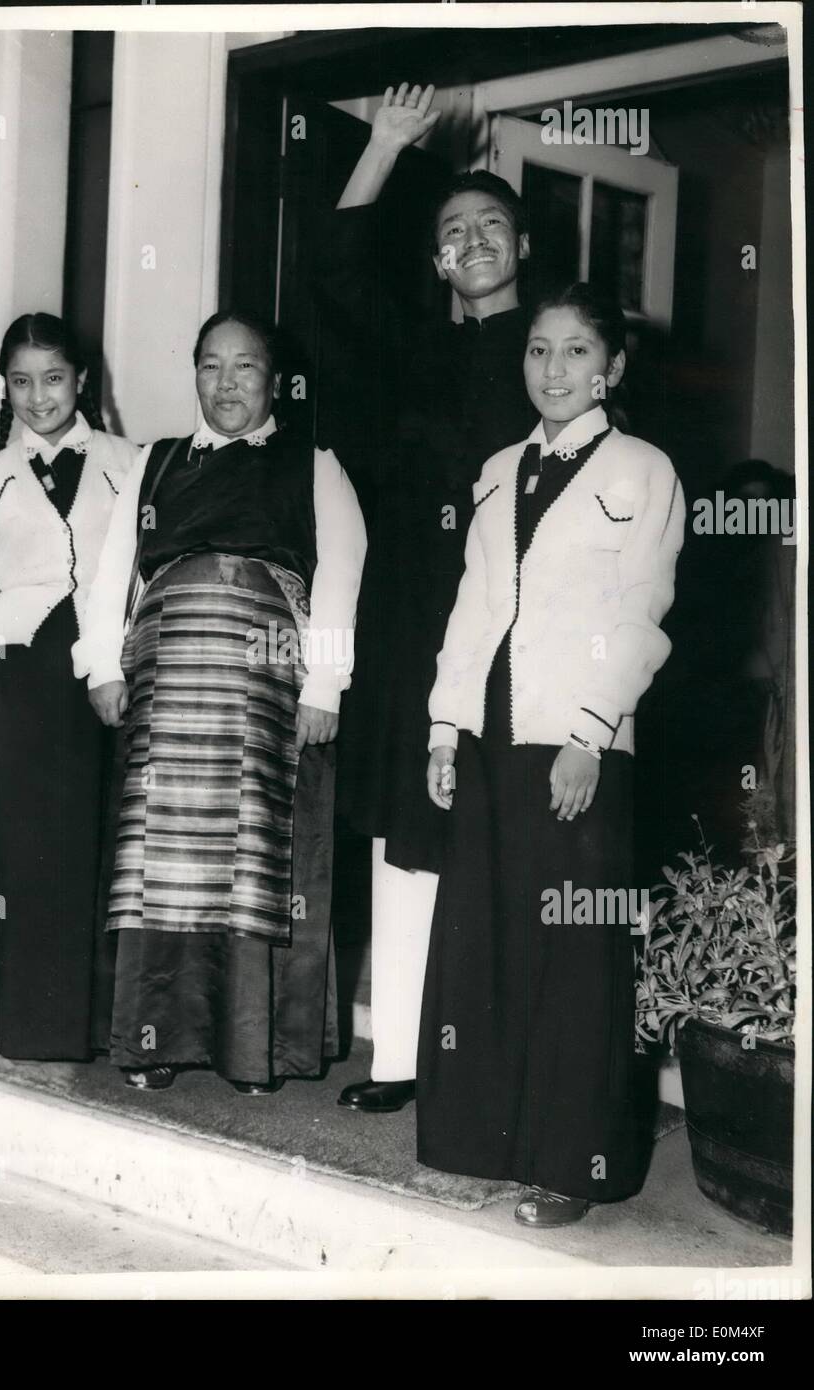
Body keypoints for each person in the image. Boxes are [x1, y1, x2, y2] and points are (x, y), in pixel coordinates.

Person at [420, 282, 685, 1225]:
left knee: (570, 956)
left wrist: (588, 733)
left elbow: (638, 611)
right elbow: (472, 609)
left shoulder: (641, 470)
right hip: (494, 736)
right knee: (486, 943)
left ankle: (570, 1168)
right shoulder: (496, 470)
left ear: (610, 368)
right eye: (538, 350)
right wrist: (445, 728)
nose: (554, 369)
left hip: (578, 744)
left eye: (576, 352)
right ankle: (482, 1142)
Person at [313, 83, 536, 1113]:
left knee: (501, 837)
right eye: (454, 231)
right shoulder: (415, 350)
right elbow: (336, 277)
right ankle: (398, 1057)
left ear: (521, 249)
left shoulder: (559, 361)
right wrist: (385, 149)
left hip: (516, 629)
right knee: (405, 830)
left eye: (493, 225)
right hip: (410, 621)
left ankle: (493, 1059)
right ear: (438, 259)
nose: (474, 240)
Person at [74, 311, 366, 1094]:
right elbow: (111, 573)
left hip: (266, 689)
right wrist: (101, 666)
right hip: (166, 679)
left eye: (244, 368)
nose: (226, 383)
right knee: (159, 861)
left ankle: (250, 1049)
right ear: (194, 373)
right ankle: (153, 1041)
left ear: (274, 381)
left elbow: (340, 578)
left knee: (252, 861)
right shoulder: (153, 465)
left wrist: (325, 686)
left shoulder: (315, 464)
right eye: (211, 366)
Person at [0, 313, 137, 1060]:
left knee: (87, 846)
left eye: (54, 378)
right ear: (4, 387)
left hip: (94, 672)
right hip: (12, 675)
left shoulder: (126, 462)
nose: (38, 397)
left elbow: (137, 572)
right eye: (21, 381)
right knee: (26, 851)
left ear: (82, 380)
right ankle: (27, 1022)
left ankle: (87, 1021)